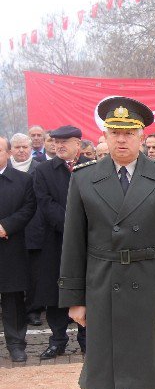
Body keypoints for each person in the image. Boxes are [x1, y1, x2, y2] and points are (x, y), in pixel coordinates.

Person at [59, 96, 155, 389]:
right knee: (104, 380)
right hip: (103, 288)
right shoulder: (84, 178)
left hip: (151, 288)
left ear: (142, 135)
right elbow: (73, 241)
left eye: (129, 132)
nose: (121, 139)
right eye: (114, 131)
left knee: (153, 379)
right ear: (104, 134)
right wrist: (74, 299)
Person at [33, 125, 89, 359]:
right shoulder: (44, 170)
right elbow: (45, 204)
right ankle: (57, 340)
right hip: (56, 241)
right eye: (56, 141)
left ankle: (88, 339)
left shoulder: (91, 167)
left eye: (65, 141)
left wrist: (85, 228)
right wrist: (71, 226)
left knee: (88, 289)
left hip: (89, 240)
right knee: (56, 291)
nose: (59, 146)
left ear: (79, 144)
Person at [0, 136, 36, 362]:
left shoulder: (22, 180)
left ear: (8, 153)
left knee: (12, 298)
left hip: (10, 246)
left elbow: (29, 207)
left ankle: (16, 344)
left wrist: (6, 226)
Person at [10, 133, 44, 326]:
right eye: (17, 147)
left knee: (34, 273)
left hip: (35, 228)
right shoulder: (5, 169)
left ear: (31, 148)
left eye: (24, 147)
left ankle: (32, 310)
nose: (21, 150)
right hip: (11, 230)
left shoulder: (40, 169)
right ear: (11, 150)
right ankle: (14, 310)